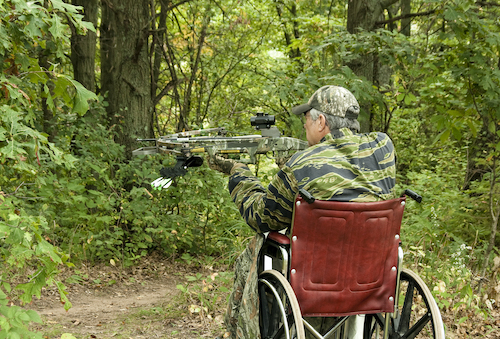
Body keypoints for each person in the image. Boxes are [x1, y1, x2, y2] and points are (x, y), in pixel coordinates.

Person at [208, 85, 397, 339]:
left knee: (259, 243)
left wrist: (238, 173)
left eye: (306, 118)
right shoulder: (383, 148)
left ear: (321, 122)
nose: (303, 125)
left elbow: (262, 217)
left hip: (316, 283)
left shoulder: (301, 165)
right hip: (370, 280)